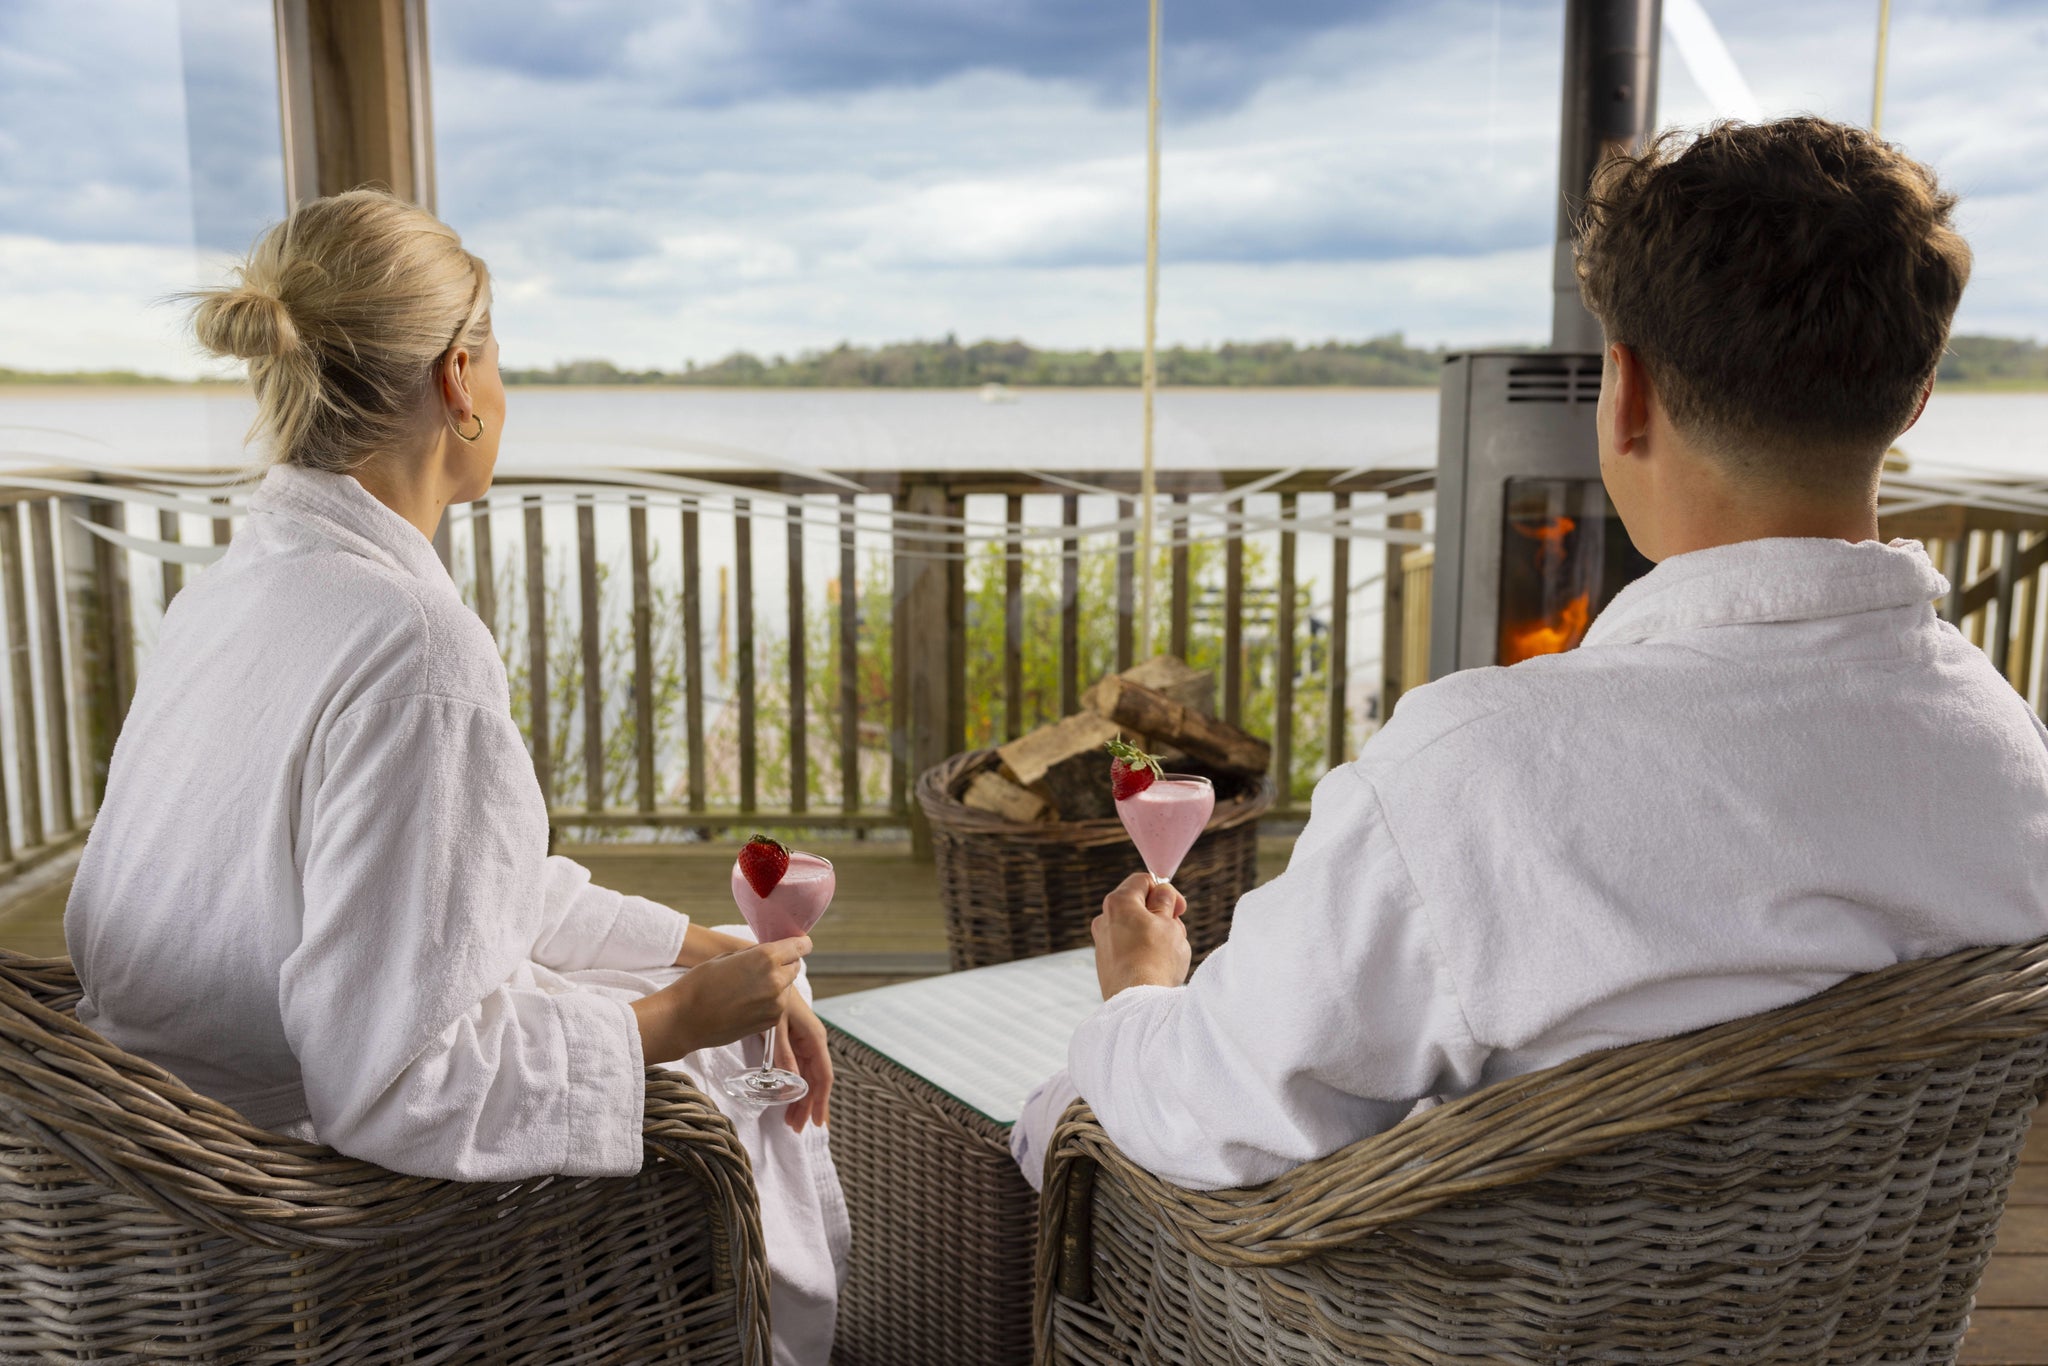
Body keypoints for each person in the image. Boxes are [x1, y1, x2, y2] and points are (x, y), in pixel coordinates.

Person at [1012, 116, 2048, 1194]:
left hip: (1457, 1324)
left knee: (1046, 1113)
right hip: (1865, 1314)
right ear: (1911, 396)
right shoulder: (2004, 750)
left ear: (1625, 393)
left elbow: (1218, 1115)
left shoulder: (1478, 771)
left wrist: (1138, 994)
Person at [63, 189, 848, 1363]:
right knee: (739, 1064)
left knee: (724, 996)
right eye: (501, 362)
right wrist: (682, 1014)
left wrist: (698, 945)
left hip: (143, 1157)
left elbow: (426, 887)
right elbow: (394, 1082)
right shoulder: (412, 647)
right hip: (288, 1221)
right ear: (458, 378)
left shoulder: (236, 591)